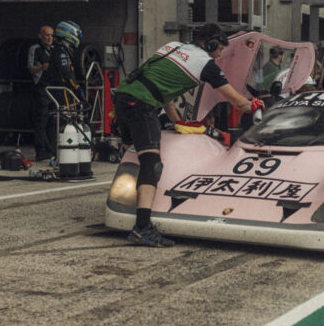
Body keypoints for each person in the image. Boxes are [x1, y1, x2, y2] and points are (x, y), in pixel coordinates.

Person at [112, 23, 263, 247]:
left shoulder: (172, 46)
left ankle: (122, 209)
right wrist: (253, 105)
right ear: (210, 44)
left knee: (132, 154)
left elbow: (163, 91)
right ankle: (142, 227)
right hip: (141, 105)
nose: (220, 54)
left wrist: (176, 122)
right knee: (151, 163)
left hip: (123, 97)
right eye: (220, 48)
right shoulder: (206, 64)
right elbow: (237, 101)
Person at [28, 24, 55, 160]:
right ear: (40, 36)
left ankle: (52, 149)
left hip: (54, 90)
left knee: (52, 120)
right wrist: (41, 68)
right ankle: (41, 151)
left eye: (51, 35)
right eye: (46, 35)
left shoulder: (55, 50)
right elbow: (31, 68)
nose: (49, 38)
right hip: (41, 89)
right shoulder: (36, 48)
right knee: (41, 121)